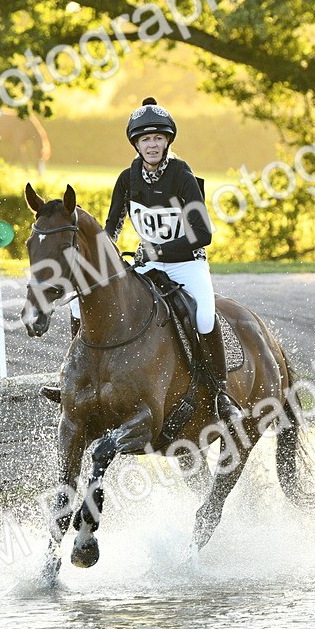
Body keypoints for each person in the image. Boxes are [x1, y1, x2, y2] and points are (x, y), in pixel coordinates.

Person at [40, 97, 245, 427]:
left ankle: (220, 392)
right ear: (136, 144)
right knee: (80, 304)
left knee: (205, 315)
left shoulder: (181, 175)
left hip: (187, 263)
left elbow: (203, 232)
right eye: (145, 139)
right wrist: (102, 256)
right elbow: (113, 227)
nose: (152, 145)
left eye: (158, 139)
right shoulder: (127, 178)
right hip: (145, 264)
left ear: (167, 142)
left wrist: (159, 252)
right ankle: (75, 380)